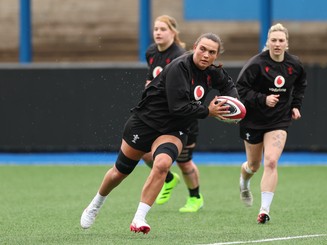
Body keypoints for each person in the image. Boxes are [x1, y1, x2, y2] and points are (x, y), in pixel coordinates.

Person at [80, 32, 239, 234]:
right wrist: (209, 111)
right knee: (119, 172)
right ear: (195, 46)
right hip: (146, 122)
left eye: (212, 52)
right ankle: (95, 204)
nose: (206, 55)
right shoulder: (178, 68)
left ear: (216, 55)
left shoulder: (212, 71)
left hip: (175, 128)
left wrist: (234, 105)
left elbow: (228, 85)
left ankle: (139, 219)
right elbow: (178, 107)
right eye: (203, 49)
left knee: (163, 164)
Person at [236, 23, 307, 224]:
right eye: (273, 40)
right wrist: (262, 99)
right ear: (268, 42)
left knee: (271, 161)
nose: (277, 44)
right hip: (253, 119)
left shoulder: (295, 65)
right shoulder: (256, 64)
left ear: (287, 43)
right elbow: (240, 89)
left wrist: (295, 105)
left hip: (279, 119)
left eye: (281, 40)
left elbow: (301, 84)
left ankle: (264, 210)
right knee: (253, 165)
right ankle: (244, 182)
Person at [142, 15, 204, 212]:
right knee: (142, 151)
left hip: (182, 117)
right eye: (155, 29)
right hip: (158, 116)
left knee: (184, 162)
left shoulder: (180, 56)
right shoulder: (151, 52)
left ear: (173, 32)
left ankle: (195, 197)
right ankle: (168, 178)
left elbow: (186, 88)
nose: (158, 32)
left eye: (163, 29)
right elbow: (151, 77)